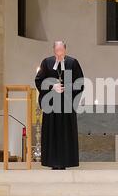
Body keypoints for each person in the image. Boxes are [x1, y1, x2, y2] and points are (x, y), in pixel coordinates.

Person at [35, 41, 84, 170]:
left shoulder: (72, 63)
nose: (59, 53)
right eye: (57, 51)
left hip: (67, 105)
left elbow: (80, 82)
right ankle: (52, 162)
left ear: (65, 50)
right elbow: (38, 80)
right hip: (51, 104)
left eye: (61, 50)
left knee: (66, 133)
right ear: (54, 50)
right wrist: (52, 87)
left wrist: (67, 89)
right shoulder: (46, 62)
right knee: (51, 132)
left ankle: (65, 162)